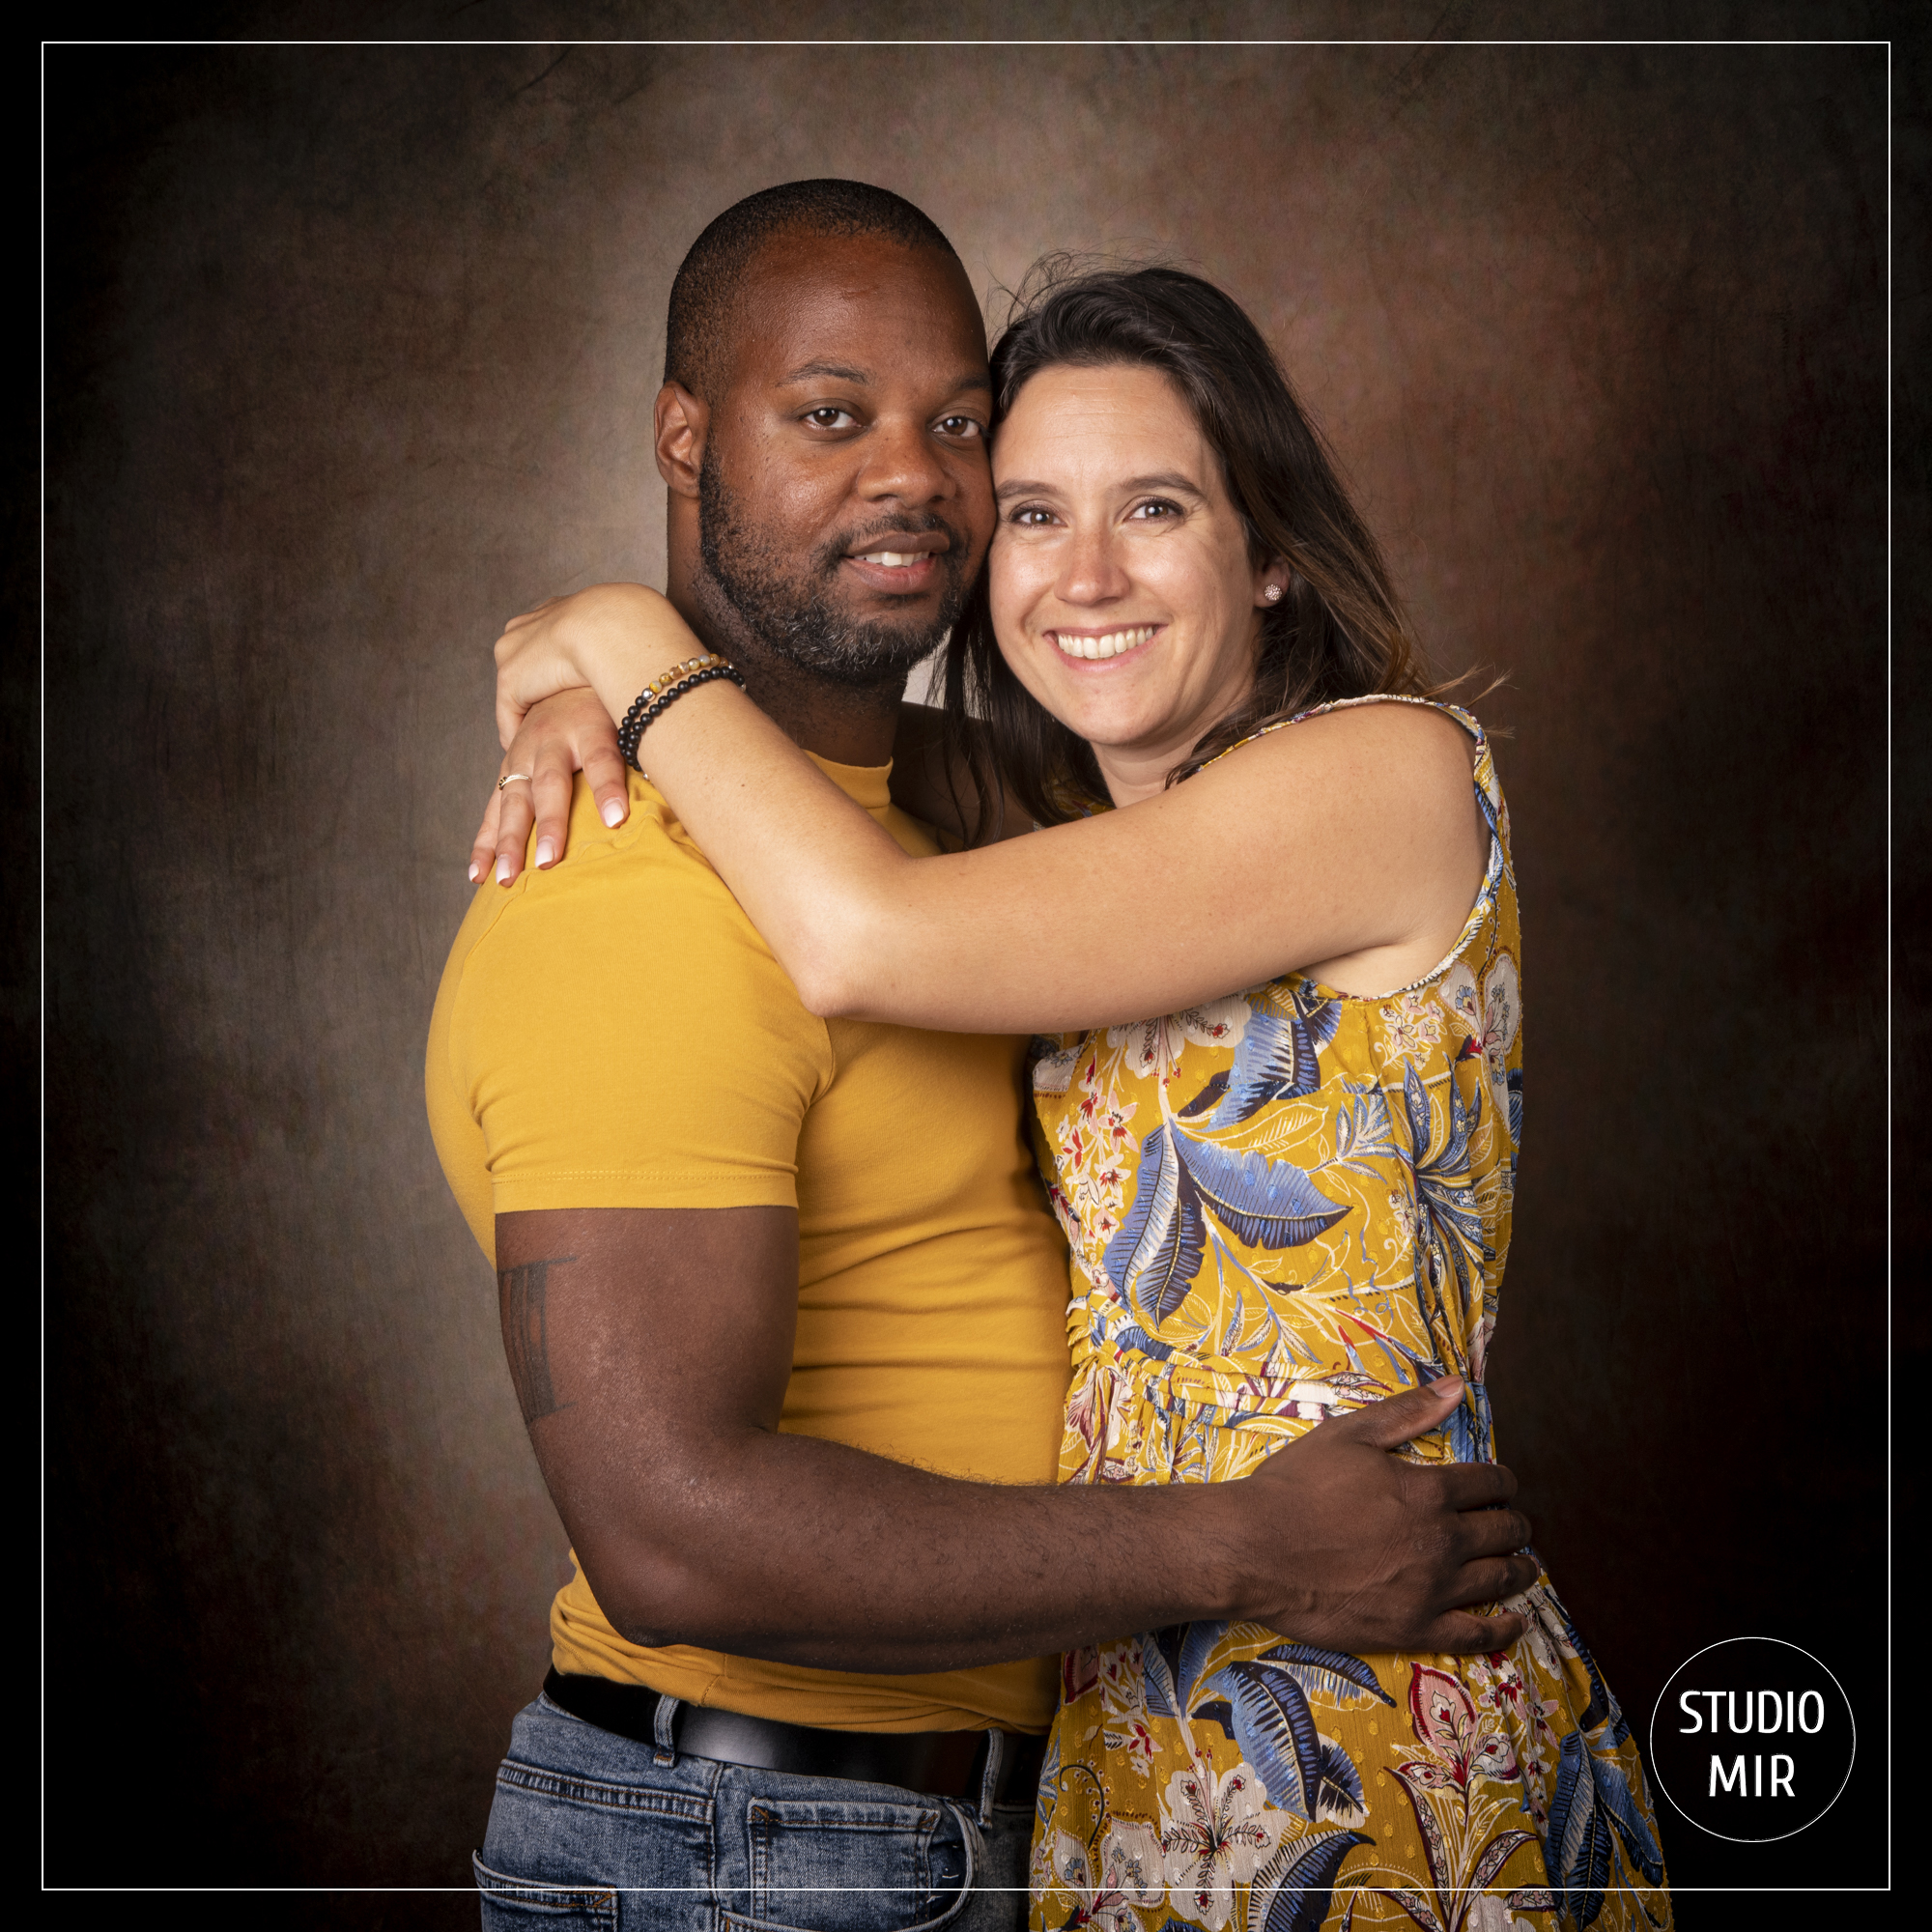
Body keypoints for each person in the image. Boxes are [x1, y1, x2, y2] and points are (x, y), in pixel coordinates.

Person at [478, 254, 1672, 1932]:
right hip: (1124, 1761)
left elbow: (857, 930)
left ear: (1265, 555)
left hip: (1368, 1700)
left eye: (1159, 507)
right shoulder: (1064, 820)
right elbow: (819, 790)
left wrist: (616, 634)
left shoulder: (1381, 775)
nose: (1087, 573)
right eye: (1030, 514)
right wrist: (557, 686)